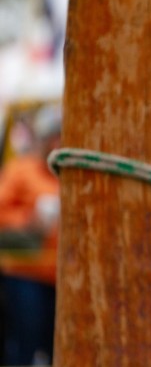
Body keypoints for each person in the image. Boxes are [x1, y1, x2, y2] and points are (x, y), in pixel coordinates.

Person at [0, 103, 61, 365]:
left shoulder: (72, 174)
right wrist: (29, 220)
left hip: (62, 276)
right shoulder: (21, 170)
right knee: (24, 347)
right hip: (25, 273)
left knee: (56, 345)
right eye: (54, 137)